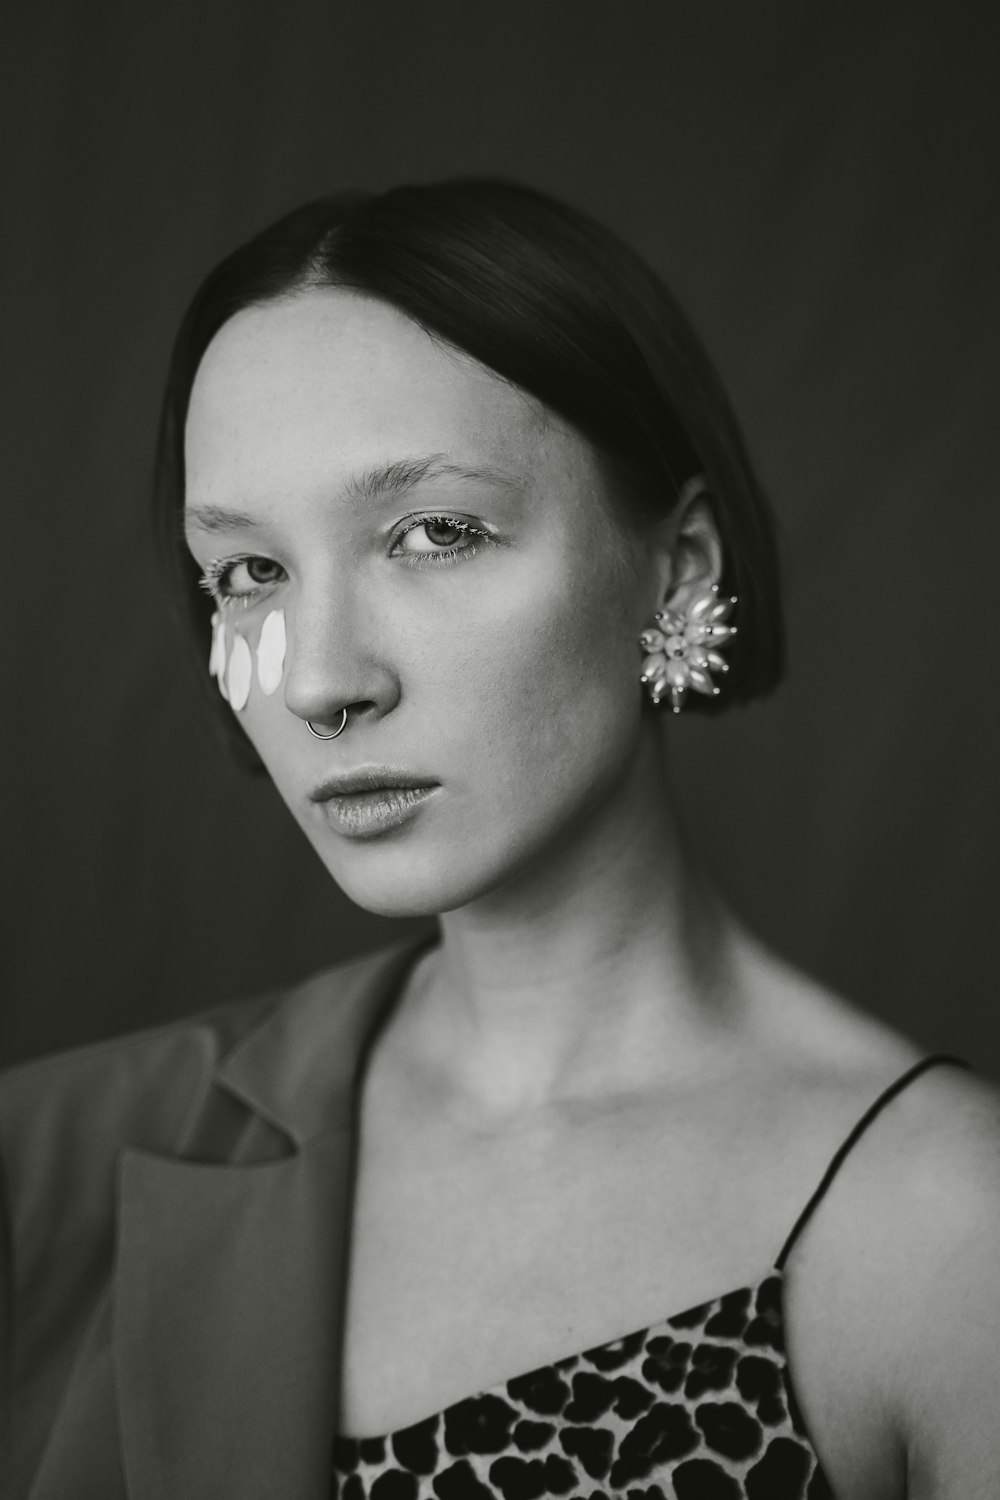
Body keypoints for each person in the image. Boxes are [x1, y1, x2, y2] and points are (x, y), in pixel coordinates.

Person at [1, 177, 998, 1500]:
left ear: (680, 565)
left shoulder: (946, 1235)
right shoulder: (49, 1168)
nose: (320, 683)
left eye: (435, 534)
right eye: (250, 573)